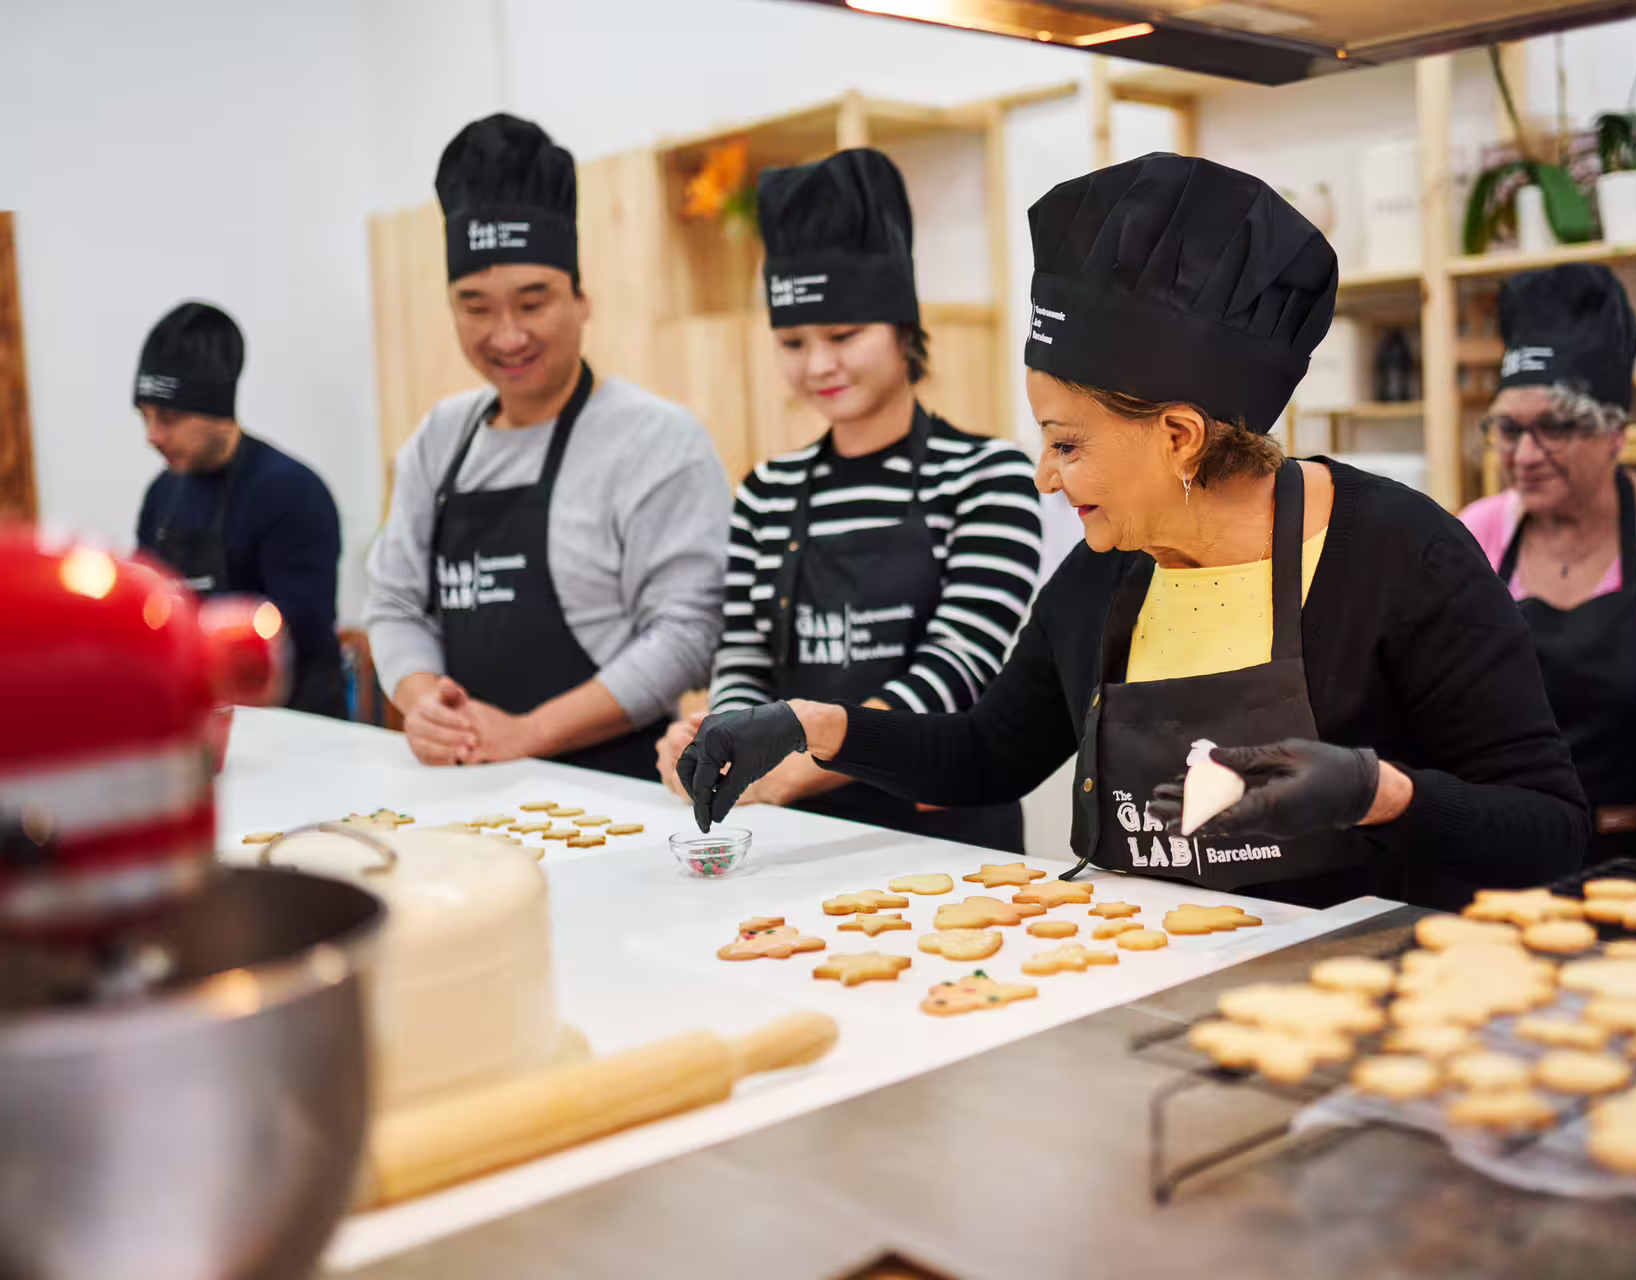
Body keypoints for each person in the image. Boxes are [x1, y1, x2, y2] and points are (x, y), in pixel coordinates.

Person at [675, 153, 1587, 910]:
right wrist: (808, 723)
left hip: (1351, 1016)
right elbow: (990, 752)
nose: (1046, 474)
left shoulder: (1401, 555)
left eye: (1068, 443)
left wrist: (1376, 790)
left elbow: (1547, 828)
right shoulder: (1102, 578)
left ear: (1180, 437)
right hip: (1142, 994)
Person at [654, 149, 1041, 851]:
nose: (819, 365)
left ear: (902, 327)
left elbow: (957, 666)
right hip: (796, 843)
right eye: (793, 341)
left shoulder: (988, 475)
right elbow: (743, 657)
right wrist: (722, 739)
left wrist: (799, 756)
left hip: (949, 844)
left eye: (844, 335)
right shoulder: (767, 492)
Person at [365, 114, 730, 778]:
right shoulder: (440, 440)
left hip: (619, 794)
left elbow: (688, 637)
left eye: (532, 303)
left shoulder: (655, 440)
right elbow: (393, 603)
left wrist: (530, 732)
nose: (506, 336)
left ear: (581, 297)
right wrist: (427, 706)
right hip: (465, 787)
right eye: (475, 307)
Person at [1459, 265, 1636, 864]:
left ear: (1615, 434)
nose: (1525, 455)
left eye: (1555, 428)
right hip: (1508, 858)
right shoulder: (1477, 533)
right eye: (1509, 430)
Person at [134, 301, 347, 719]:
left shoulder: (291, 492)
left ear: (218, 411)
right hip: (205, 723)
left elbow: (294, 633)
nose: (152, 436)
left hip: (297, 731)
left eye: (169, 417)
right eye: (144, 417)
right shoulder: (161, 496)